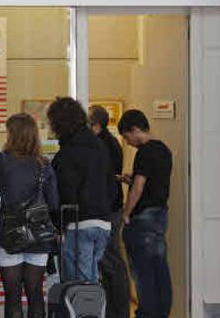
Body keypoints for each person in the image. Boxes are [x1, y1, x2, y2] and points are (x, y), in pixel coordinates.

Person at [0, 113, 59, 318]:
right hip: (39, 235)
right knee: (35, 295)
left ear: (12, 135)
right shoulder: (44, 164)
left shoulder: (3, 159)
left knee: (13, 297)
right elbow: (54, 203)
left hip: (10, 234)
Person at [47, 97, 114, 283]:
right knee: (91, 281)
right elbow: (111, 185)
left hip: (79, 223)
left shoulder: (68, 152)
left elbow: (65, 191)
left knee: (78, 287)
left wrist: (58, 225)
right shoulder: (100, 146)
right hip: (103, 223)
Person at [118, 109, 172, 318]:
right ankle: (162, 312)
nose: (128, 142)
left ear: (135, 129)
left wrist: (126, 213)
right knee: (160, 268)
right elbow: (153, 182)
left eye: (127, 136)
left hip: (143, 218)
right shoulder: (163, 150)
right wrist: (132, 179)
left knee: (142, 271)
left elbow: (139, 187)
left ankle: (147, 314)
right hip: (160, 215)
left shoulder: (144, 152)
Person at [89, 105, 130, 318]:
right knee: (110, 261)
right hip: (110, 207)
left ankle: (118, 311)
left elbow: (103, 178)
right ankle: (115, 309)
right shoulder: (110, 142)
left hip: (107, 209)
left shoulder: (102, 145)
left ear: (95, 125)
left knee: (111, 261)